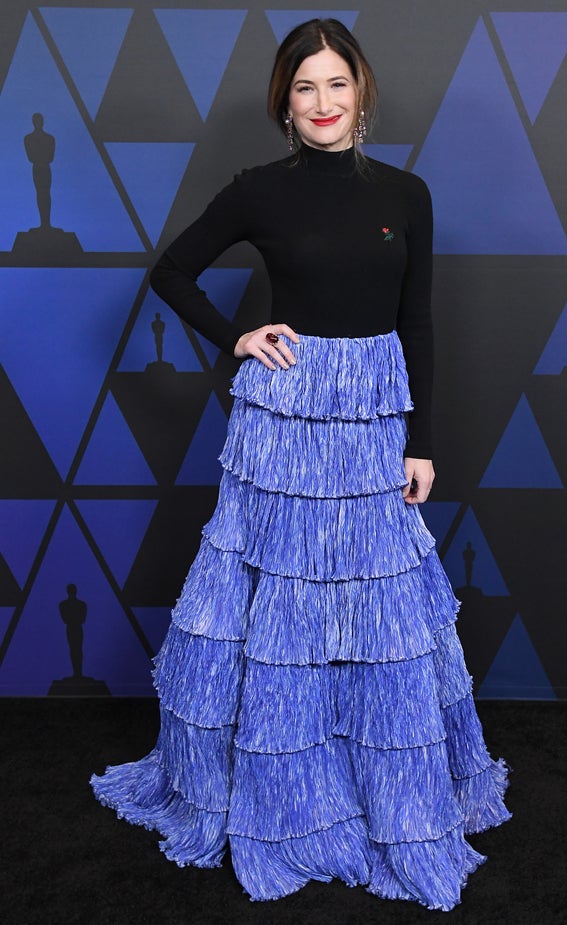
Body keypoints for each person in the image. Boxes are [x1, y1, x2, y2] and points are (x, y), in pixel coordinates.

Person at [91, 19, 510, 910]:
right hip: (282, 426)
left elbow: (418, 323)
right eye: (305, 87)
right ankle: (281, 796)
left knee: (372, 613)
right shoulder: (258, 192)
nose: (323, 103)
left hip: (370, 428)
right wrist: (237, 337)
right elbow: (172, 272)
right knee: (277, 605)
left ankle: (377, 793)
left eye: (337, 84)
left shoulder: (409, 193)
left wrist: (421, 441)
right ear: (285, 101)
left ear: (363, 91)